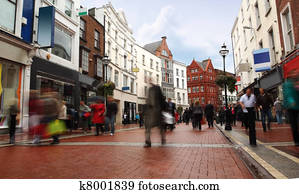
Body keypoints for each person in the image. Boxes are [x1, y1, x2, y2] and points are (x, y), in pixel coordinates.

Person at [144, 82, 166, 148]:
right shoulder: (149, 89)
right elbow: (148, 100)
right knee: (148, 127)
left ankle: (162, 139)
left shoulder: (157, 89)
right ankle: (148, 141)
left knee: (160, 126)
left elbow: (162, 99)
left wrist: (162, 109)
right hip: (151, 111)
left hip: (157, 111)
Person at [283, 69, 299, 146]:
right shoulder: (287, 84)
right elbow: (288, 94)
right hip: (291, 107)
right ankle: (296, 140)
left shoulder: (296, 82)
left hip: (297, 106)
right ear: (291, 74)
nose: (296, 74)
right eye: (295, 73)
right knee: (294, 124)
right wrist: (291, 101)